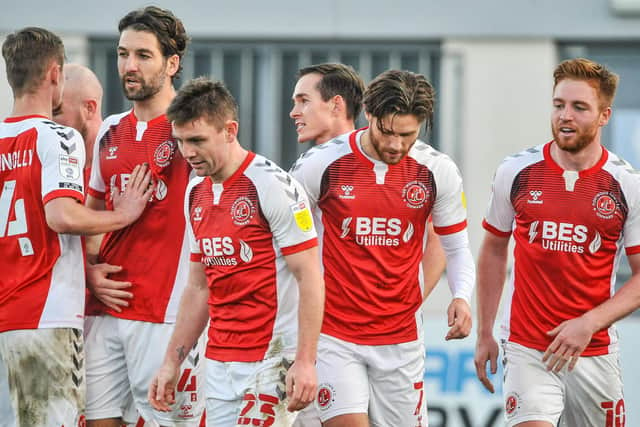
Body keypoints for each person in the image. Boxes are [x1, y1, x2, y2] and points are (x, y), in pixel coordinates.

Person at [290, 69, 475, 427]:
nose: (395, 145)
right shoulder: (319, 165)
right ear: (369, 116)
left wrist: (462, 295)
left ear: (421, 125)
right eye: (386, 132)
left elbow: (456, 247)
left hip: (402, 338)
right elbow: (291, 249)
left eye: (407, 134)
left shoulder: (438, 171)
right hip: (334, 334)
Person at [148, 76, 324, 426]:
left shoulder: (272, 185)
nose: (188, 153)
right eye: (180, 141)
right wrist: (172, 361)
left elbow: (310, 277)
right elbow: (198, 286)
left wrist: (305, 360)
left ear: (230, 130)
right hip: (219, 359)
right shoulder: (195, 192)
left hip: (270, 356)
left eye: (197, 140)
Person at [474, 58, 639, 427]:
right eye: (559, 104)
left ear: (604, 116)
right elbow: (494, 249)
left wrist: (589, 323)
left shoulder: (627, 185)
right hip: (527, 346)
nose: (565, 115)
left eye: (579, 107)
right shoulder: (515, 172)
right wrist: (485, 331)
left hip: (593, 350)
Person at [0, 27, 151, 427]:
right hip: (46, 308)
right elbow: (62, 215)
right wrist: (124, 214)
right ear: (54, 75)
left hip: (11, 311)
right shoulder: (56, 135)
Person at [84, 7, 206, 426]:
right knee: (98, 419)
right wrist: (89, 270)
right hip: (105, 308)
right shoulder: (109, 130)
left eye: (142, 55)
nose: (129, 66)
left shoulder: (192, 130)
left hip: (165, 312)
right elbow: (93, 212)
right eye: (122, 54)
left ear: (172, 63)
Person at [290, 63, 446, 301]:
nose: (294, 111)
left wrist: (406, 303)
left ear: (336, 105)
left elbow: (440, 239)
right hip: (322, 323)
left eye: (304, 101)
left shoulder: (400, 162)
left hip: (387, 329)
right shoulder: (309, 169)